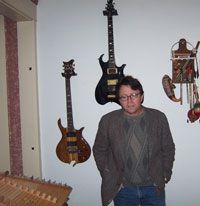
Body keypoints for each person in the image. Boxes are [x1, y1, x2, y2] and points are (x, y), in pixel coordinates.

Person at [93, 75, 175, 206]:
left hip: (153, 187)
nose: (129, 101)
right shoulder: (108, 121)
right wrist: (108, 173)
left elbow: (168, 147)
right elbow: (99, 149)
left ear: (141, 96)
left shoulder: (158, 118)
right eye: (124, 97)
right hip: (123, 189)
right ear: (119, 100)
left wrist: (165, 173)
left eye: (134, 95)